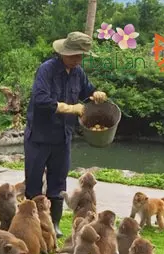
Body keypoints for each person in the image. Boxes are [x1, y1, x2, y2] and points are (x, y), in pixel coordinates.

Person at [24, 32, 107, 237]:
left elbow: (86, 91)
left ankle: (54, 223)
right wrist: (69, 108)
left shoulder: (78, 72)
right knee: (34, 182)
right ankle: (32, 225)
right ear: (64, 52)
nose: (79, 59)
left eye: (81, 56)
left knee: (59, 182)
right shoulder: (47, 70)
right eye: (76, 55)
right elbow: (41, 99)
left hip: (63, 136)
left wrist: (95, 93)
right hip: (39, 136)